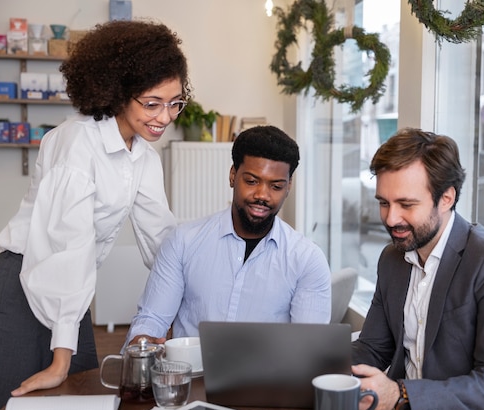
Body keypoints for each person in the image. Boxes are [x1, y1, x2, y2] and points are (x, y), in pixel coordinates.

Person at [0, 20, 190, 410]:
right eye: (152, 103)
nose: (166, 116)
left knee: (86, 402)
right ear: (118, 93)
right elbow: (68, 250)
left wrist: (199, 296)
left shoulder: (143, 157)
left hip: (68, 295)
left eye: (175, 102)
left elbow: (162, 241)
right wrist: (61, 360)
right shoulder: (77, 143)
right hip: (21, 286)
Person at [351, 128, 484, 410]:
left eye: (406, 204)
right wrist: (315, 371)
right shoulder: (392, 259)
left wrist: (398, 395)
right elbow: (374, 347)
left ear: (446, 198)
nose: (391, 218)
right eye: (384, 203)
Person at [124, 125, 331, 346]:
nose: (262, 195)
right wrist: (142, 341)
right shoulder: (183, 242)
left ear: (289, 186)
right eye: (251, 181)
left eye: (276, 186)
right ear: (233, 175)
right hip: (193, 377)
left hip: (268, 381)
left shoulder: (307, 259)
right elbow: (152, 319)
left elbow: (309, 347)